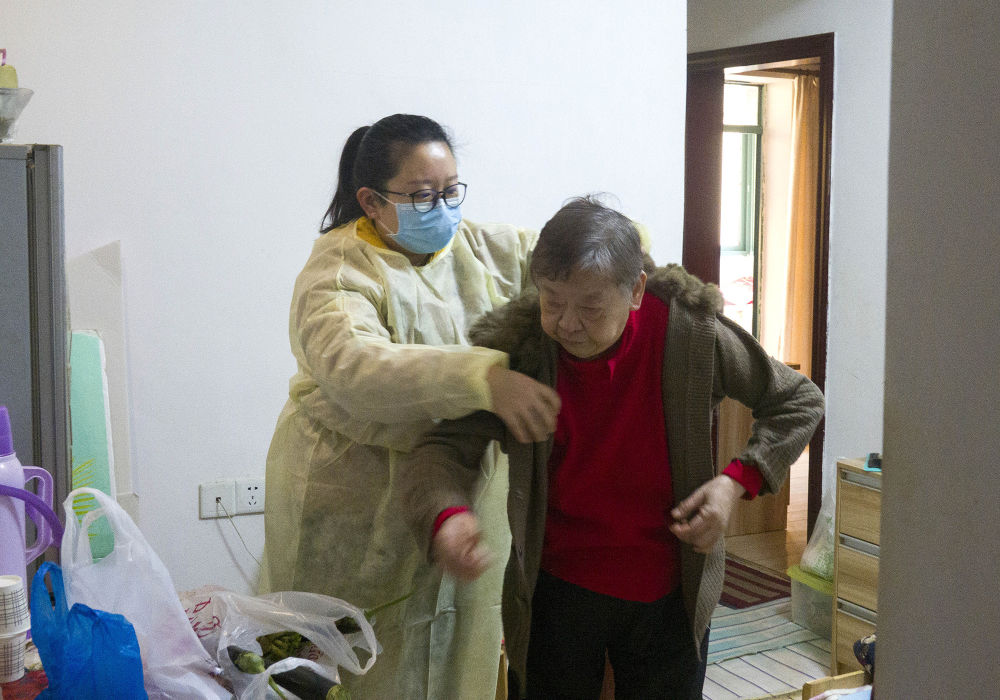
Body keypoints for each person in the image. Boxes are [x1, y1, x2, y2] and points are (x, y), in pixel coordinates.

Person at [398, 196, 825, 700]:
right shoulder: (526, 352)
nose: (567, 323)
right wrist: (447, 516)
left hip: (671, 589)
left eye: (591, 307)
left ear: (637, 290)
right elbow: (441, 450)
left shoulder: (689, 334)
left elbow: (798, 400)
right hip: (555, 589)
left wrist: (736, 482)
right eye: (552, 301)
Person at [259, 113, 561, 699]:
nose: (443, 208)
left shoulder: (478, 247)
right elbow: (358, 367)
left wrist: (639, 262)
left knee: (458, 660)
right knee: (356, 666)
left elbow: (568, 256)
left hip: (456, 490)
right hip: (352, 502)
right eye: (424, 196)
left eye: (451, 191)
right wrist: (485, 379)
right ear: (371, 200)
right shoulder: (338, 271)